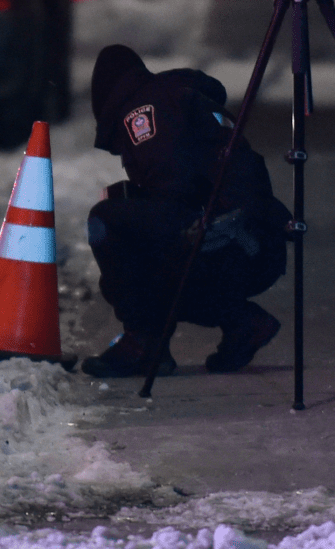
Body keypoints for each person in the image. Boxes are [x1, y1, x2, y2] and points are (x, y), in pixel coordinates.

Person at [82, 44, 291, 378]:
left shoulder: (143, 110)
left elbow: (174, 187)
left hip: (227, 238)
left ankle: (143, 344)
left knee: (108, 223)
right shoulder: (176, 97)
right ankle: (241, 322)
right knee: (141, 248)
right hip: (254, 242)